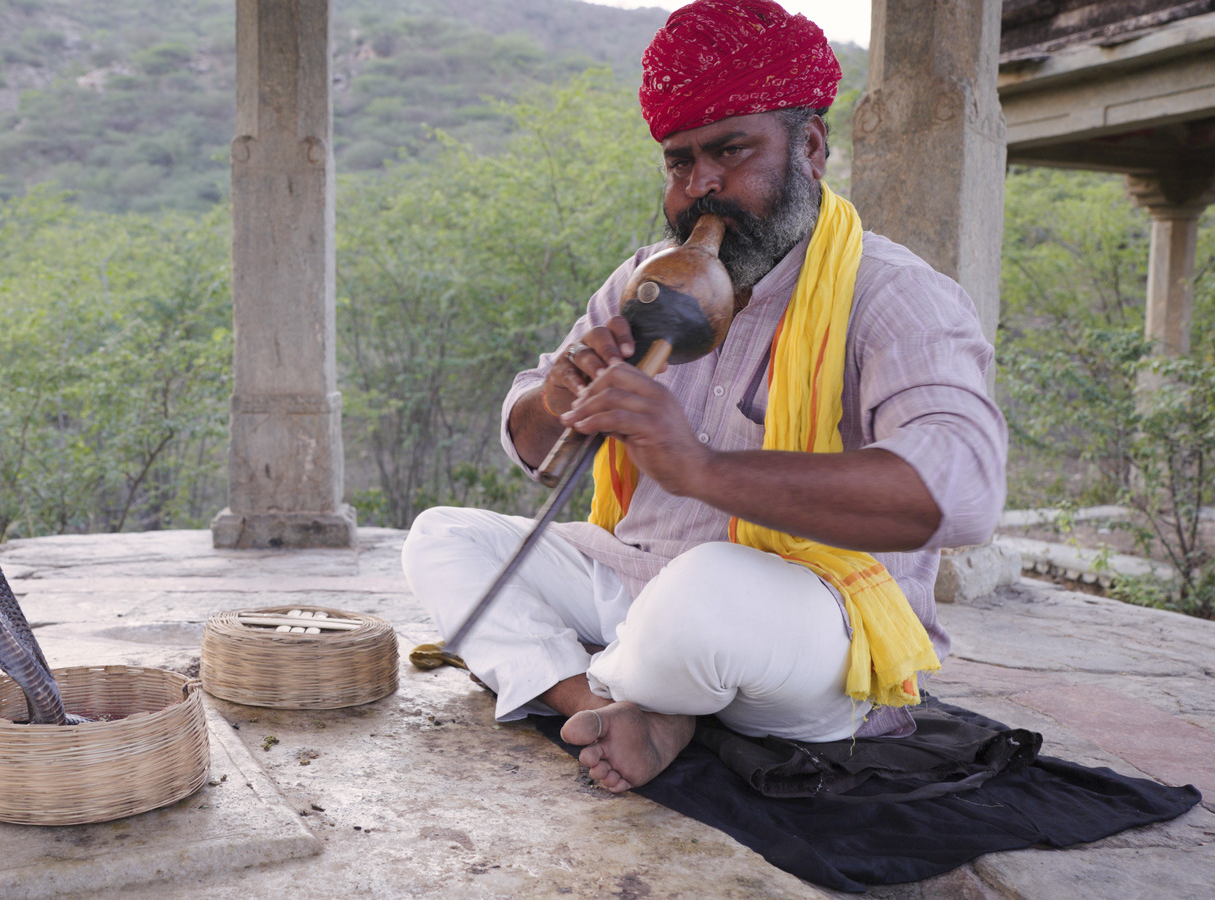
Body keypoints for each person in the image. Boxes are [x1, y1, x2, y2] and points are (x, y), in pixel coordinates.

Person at [402, 0, 1006, 794]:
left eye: (731, 150)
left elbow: (962, 491)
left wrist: (700, 468)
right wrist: (556, 397)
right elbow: (535, 448)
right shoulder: (646, 278)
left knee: (705, 592)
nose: (702, 186)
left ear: (810, 149)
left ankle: (641, 685)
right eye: (680, 163)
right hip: (634, 583)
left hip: (798, 620)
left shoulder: (894, 295)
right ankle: (611, 705)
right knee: (444, 538)